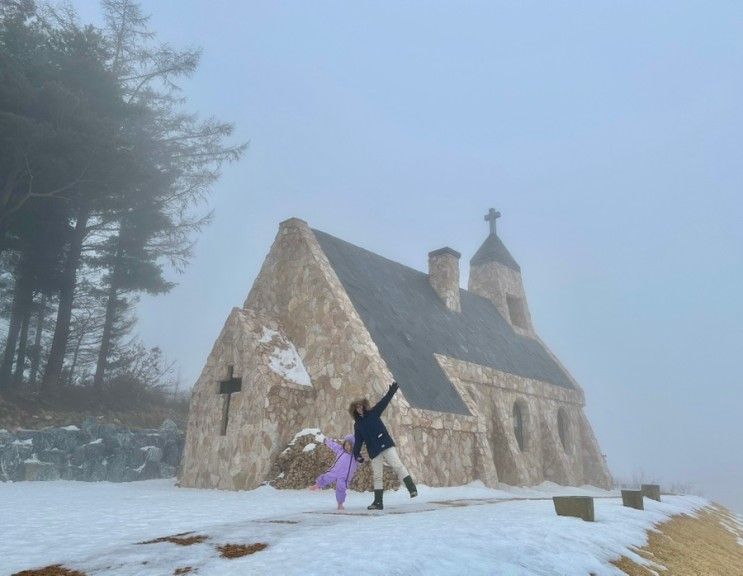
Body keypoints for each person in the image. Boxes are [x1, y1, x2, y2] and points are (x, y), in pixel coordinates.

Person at [350, 381, 417, 510]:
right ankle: (378, 502)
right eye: (356, 407)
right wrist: (356, 453)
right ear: (354, 410)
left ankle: (412, 488)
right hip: (374, 451)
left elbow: (384, 402)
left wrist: (391, 392)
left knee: (397, 465)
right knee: (377, 476)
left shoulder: (374, 413)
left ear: (364, 406)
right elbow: (358, 441)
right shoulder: (357, 425)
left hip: (385, 444)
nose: (359, 409)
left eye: (360, 406)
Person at [309, 435, 359, 510]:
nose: (347, 446)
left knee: (341, 488)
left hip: (344, 476)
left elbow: (362, 459)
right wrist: (326, 441)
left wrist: (362, 458)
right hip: (334, 471)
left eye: (349, 445)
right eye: (346, 444)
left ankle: (340, 504)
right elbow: (333, 445)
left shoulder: (355, 456)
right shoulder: (340, 450)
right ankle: (317, 485)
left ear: (353, 446)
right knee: (326, 477)